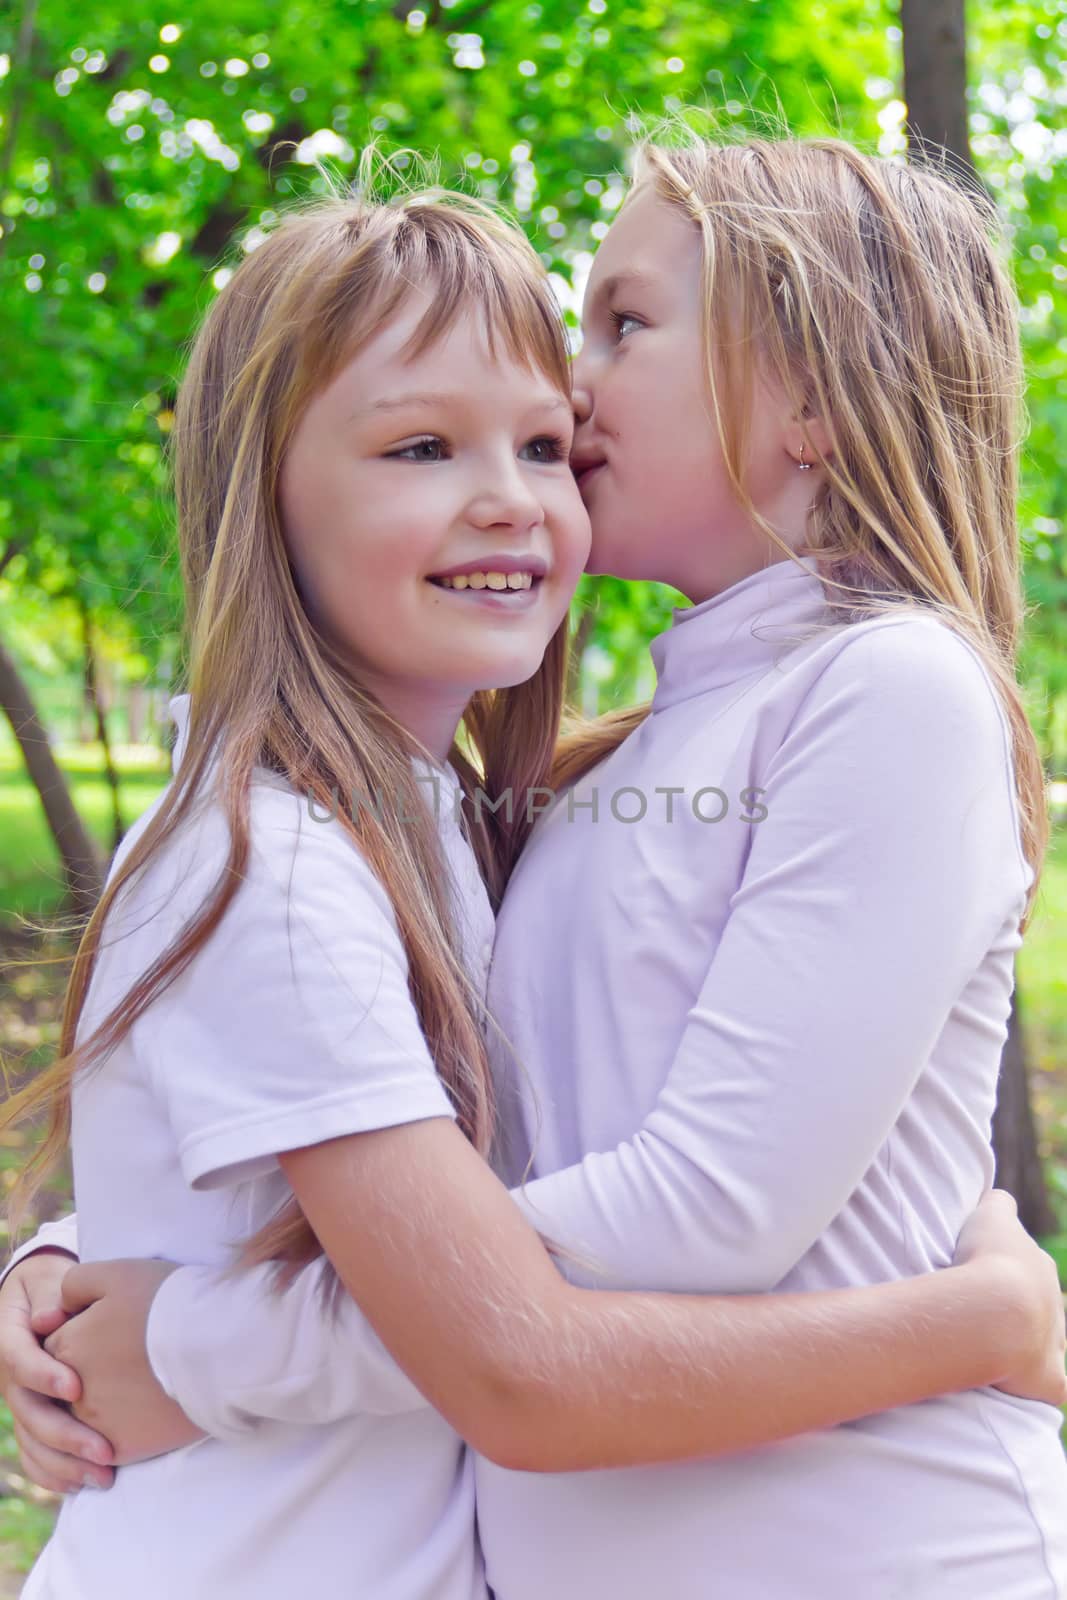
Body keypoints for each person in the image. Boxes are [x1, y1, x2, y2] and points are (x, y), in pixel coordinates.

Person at [2, 143, 1066, 1600]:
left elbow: (686, 1213)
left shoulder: (886, 690)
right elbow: (441, 1151)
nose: (576, 386)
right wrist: (84, 1255)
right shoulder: (540, 792)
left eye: (623, 328)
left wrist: (202, 1341)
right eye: (426, 444)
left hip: (869, 1553)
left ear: (813, 399)